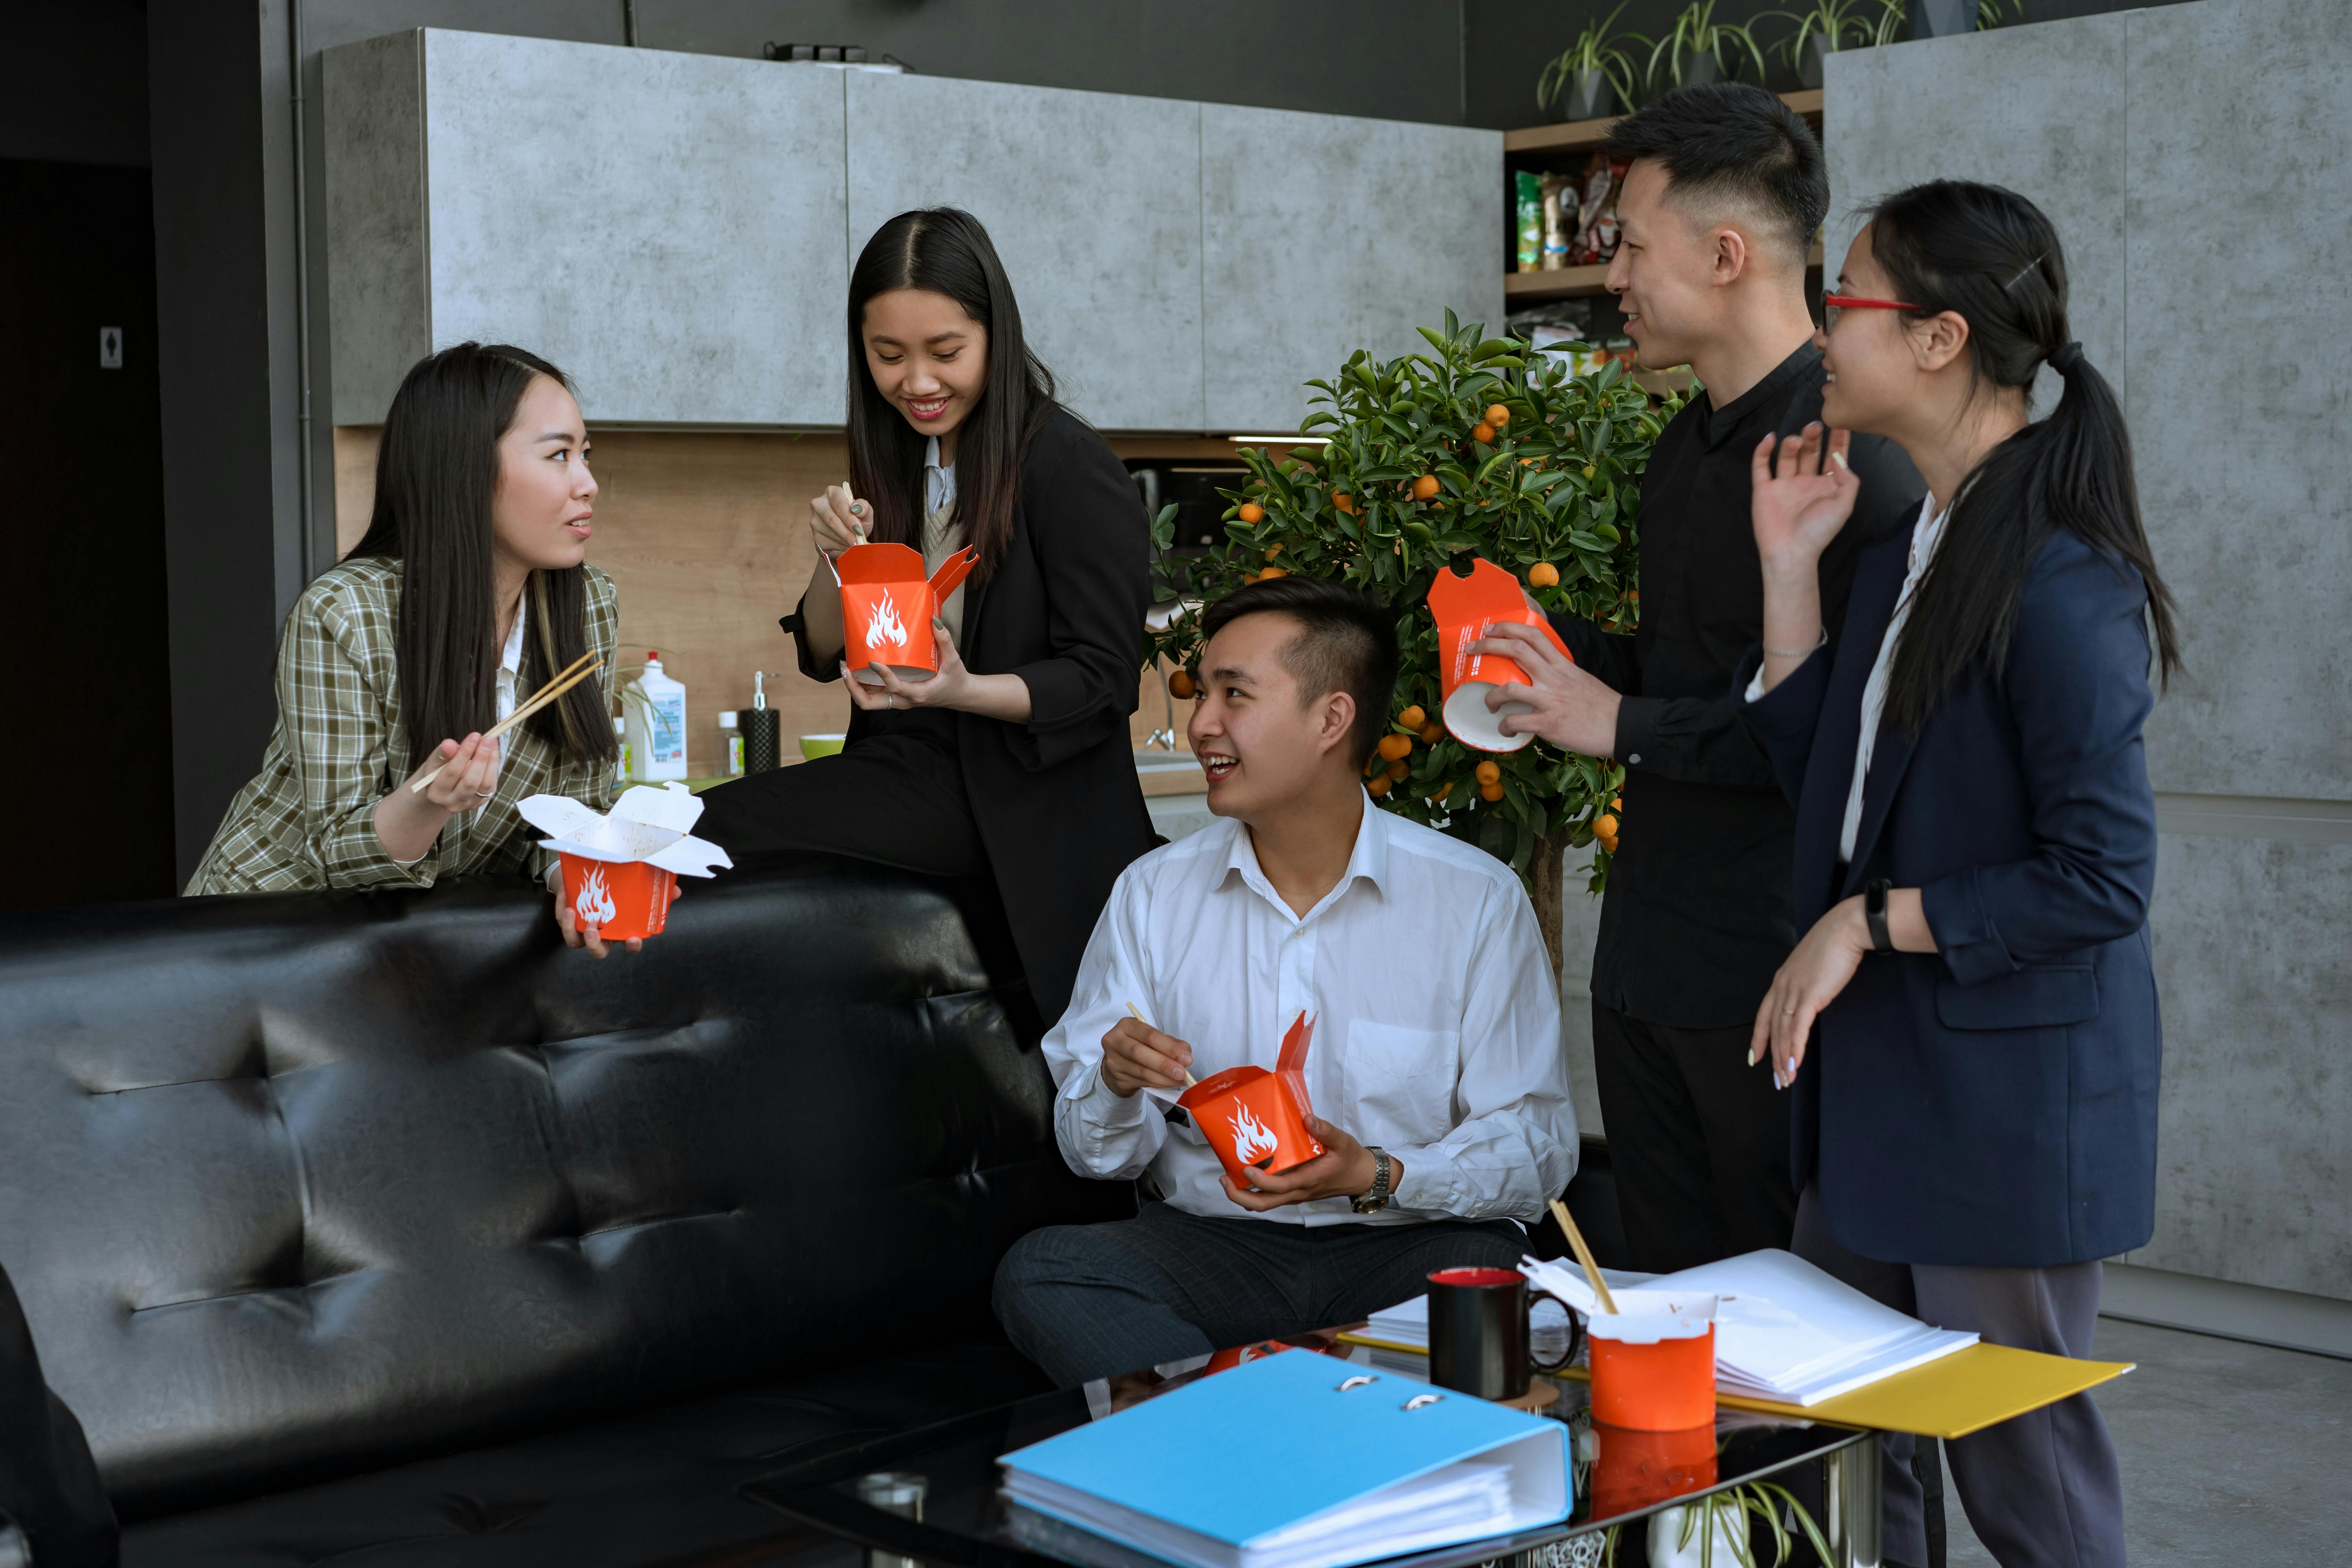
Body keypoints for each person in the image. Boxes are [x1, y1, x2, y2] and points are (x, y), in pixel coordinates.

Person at [1735, 180, 2174, 1568]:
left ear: (1936, 339)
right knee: (1843, 1461)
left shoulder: (2056, 572)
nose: (1818, 337)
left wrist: (1868, 924)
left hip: (1996, 1110)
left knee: (2023, 1486)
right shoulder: (1913, 544)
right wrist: (1791, 572)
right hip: (1874, 1096)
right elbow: (1839, 805)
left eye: (1843, 302)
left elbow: (2101, 880)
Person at [1473, 84, 1923, 1274]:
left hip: (1774, 972)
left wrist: (1613, 717)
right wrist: (1551, 646)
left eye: (1626, 244)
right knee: (1673, 1324)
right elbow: (1689, 673)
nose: (1609, 276)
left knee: (1813, 1335)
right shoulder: (1684, 444)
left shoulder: (1856, 462)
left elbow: (1827, 738)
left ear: (1727, 255)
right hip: (1646, 964)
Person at [992, 577, 1578, 1388]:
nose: (1201, 724)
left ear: (1332, 719)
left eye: (1235, 694)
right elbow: (1101, 1159)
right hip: (1216, 1248)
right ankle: (1259, 1426)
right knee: (1045, 1267)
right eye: (1203, 694)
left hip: (1405, 1245)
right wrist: (1115, 1085)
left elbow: (1537, 1148)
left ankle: (1236, 1419)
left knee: (1497, 1275)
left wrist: (1375, 1172)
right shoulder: (1153, 893)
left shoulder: (1474, 899)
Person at [692, 209, 1153, 1026]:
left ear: (995, 336)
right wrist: (836, 557)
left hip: (1009, 797)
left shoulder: (1068, 466)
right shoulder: (904, 460)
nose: (917, 382)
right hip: (907, 763)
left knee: (706, 825)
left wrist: (960, 688)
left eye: (946, 352)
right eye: (888, 355)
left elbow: (1103, 679)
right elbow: (826, 650)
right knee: (715, 830)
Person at [188, 344, 623, 948]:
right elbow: (335, 854)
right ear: (465, 468)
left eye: (586, 455)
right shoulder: (344, 614)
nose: (588, 484)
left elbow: (579, 805)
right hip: (272, 931)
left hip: (421, 944)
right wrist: (430, 803)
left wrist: (576, 876)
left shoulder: (589, 603)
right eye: (559, 456)